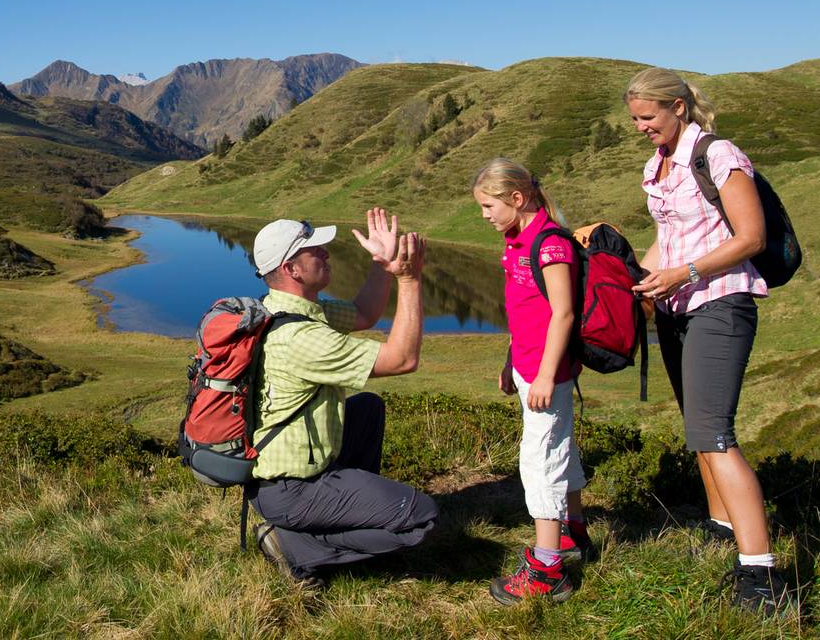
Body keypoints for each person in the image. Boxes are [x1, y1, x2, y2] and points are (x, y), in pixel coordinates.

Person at [625, 67, 794, 614]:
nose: (640, 128)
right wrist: (637, 283)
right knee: (698, 431)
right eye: (634, 119)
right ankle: (723, 531)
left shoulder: (719, 155)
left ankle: (763, 578)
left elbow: (751, 237)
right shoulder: (658, 165)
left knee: (715, 434)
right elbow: (667, 238)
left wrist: (683, 273)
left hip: (720, 302)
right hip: (677, 309)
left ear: (678, 106)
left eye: (647, 117)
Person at [246, 208, 440, 587]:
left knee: (366, 407)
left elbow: (366, 313)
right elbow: (403, 359)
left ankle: (347, 511)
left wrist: (381, 263)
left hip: (285, 478)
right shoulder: (300, 338)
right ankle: (294, 544)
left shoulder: (288, 311)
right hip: (291, 489)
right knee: (422, 517)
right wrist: (410, 279)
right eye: (315, 250)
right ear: (292, 269)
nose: (326, 253)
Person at [471, 158, 593, 603]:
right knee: (560, 448)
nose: (484, 215)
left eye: (488, 205)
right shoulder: (515, 239)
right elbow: (522, 309)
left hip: (549, 372)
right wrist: (510, 361)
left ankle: (547, 570)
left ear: (516, 199)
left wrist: (544, 374)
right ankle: (573, 535)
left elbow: (563, 313)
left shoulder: (550, 243)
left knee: (540, 462)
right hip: (527, 367)